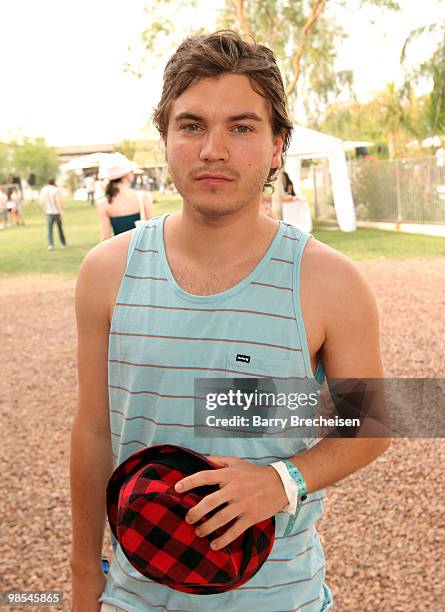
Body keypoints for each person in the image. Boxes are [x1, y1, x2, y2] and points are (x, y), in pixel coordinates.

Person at [71, 31, 390, 612]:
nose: (213, 149)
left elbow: (370, 424)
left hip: (280, 597)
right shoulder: (105, 271)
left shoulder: (331, 282)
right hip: (133, 596)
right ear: (165, 138)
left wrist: (280, 480)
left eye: (241, 127)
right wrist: (81, 577)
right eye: (192, 125)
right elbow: (94, 430)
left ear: (277, 145)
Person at [96, 153, 153, 241]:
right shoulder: (143, 197)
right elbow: (153, 231)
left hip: (120, 253)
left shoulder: (103, 204)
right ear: (125, 174)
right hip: (143, 252)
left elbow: (105, 238)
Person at [40, 178, 67, 251]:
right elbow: (58, 201)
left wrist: (45, 209)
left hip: (48, 212)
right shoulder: (56, 190)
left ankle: (50, 244)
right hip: (56, 212)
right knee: (60, 228)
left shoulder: (44, 190)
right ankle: (63, 243)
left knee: (50, 229)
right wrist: (61, 211)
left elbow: (41, 201)